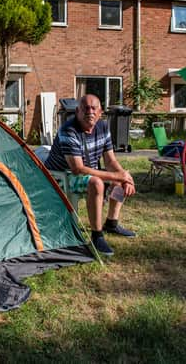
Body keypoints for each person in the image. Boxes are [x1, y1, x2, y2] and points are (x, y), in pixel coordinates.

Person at [44, 94, 136, 256]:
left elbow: (110, 160)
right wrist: (117, 176)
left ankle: (111, 223)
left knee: (118, 176)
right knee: (97, 183)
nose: (90, 112)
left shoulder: (103, 127)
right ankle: (96, 236)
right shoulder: (68, 130)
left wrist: (124, 176)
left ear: (100, 112)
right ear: (78, 111)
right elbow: (77, 169)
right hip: (61, 177)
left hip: (86, 171)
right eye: (85, 108)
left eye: (94, 108)